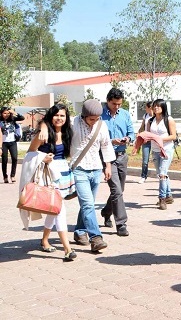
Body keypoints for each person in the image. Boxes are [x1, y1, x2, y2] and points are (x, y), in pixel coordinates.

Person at [27, 103, 77, 261]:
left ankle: (44, 240)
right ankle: (67, 248)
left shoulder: (68, 132)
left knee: (53, 208)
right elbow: (29, 153)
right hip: (48, 174)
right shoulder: (43, 133)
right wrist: (43, 157)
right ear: (50, 116)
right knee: (58, 209)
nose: (59, 118)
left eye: (62, 115)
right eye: (56, 115)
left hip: (62, 173)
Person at [72, 99, 115, 253]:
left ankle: (79, 231)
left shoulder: (101, 125)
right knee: (88, 204)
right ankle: (96, 238)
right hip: (78, 169)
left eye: (97, 119)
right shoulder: (73, 123)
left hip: (96, 168)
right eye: (91, 119)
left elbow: (106, 145)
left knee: (87, 203)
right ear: (84, 116)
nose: (94, 122)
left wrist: (108, 165)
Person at [100, 88, 135, 237]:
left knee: (119, 190)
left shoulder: (125, 114)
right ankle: (121, 224)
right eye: (114, 104)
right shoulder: (100, 116)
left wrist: (128, 138)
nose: (117, 107)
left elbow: (131, 132)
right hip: (107, 157)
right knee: (116, 190)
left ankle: (106, 212)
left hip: (122, 156)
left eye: (119, 104)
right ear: (108, 101)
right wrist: (110, 141)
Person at [147, 99, 177, 210]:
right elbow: (148, 134)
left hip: (166, 149)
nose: (155, 108)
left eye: (158, 106)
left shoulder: (169, 119)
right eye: (154, 106)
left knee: (162, 174)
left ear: (163, 107)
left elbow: (173, 136)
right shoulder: (150, 121)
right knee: (160, 173)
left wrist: (160, 139)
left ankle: (162, 199)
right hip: (155, 150)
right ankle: (169, 195)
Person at [1, 107, 24, 183]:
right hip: (3, 143)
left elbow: (22, 118)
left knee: (14, 158)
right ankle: (5, 176)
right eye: (4, 113)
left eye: (8, 113)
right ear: (1, 113)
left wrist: (13, 112)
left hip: (12, 142)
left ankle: (12, 175)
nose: (6, 115)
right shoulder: (0, 121)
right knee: (4, 160)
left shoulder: (13, 119)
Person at [138, 101, 153, 184]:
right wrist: (139, 134)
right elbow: (142, 126)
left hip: (154, 140)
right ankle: (143, 176)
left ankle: (160, 174)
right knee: (145, 160)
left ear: (149, 107)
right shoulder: (145, 115)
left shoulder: (156, 117)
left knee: (157, 159)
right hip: (146, 140)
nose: (145, 109)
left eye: (146, 107)